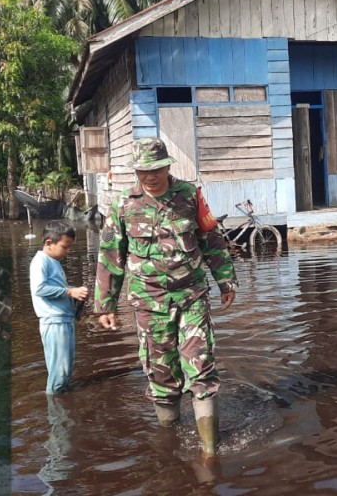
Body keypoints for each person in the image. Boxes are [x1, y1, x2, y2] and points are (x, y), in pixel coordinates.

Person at [94, 137, 237, 458]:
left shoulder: (189, 195)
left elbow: (212, 239)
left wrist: (226, 280)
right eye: (143, 170)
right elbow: (110, 256)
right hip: (148, 303)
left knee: (200, 366)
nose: (150, 176)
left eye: (156, 168)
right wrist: (105, 304)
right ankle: (168, 447)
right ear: (136, 171)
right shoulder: (123, 204)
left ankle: (209, 454)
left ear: (168, 165)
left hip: (191, 297)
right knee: (161, 374)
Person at [30, 220, 89, 394]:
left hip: (64, 320)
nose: (68, 252)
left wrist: (75, 291)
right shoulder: (40, 261)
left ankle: (65, 402)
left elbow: (56, 287)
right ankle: (55, 410)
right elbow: (39, 288)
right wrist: (70, 292)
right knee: (59, 371)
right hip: (53, 322)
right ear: (49, 243)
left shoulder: (53, 261)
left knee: (67, 367)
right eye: (65, 247)